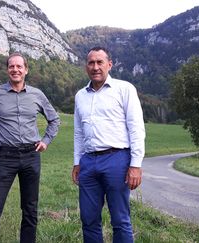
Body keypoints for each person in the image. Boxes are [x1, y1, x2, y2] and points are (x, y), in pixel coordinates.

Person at [0, 52, 60, 243]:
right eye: (12, 66)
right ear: (7, 69)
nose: (15, 69)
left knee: (30, 209)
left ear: (26, 70)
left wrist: (46, 141)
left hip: (31, 155)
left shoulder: (37, 95)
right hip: (5, 157)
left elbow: (54, 119)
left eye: (19, 66)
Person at [71, 46, 145, 243]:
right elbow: (78, 132)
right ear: (86, 66)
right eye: (91, 63)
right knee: (88, 219)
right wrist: (77, 162)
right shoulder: (80, 96)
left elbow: (136, 128)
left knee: (120, 219)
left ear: (109, 65)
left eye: (99, 62)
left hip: (117, 160)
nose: (95, 67)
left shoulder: (125, 89)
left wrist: (135, 165)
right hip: (88, 162)